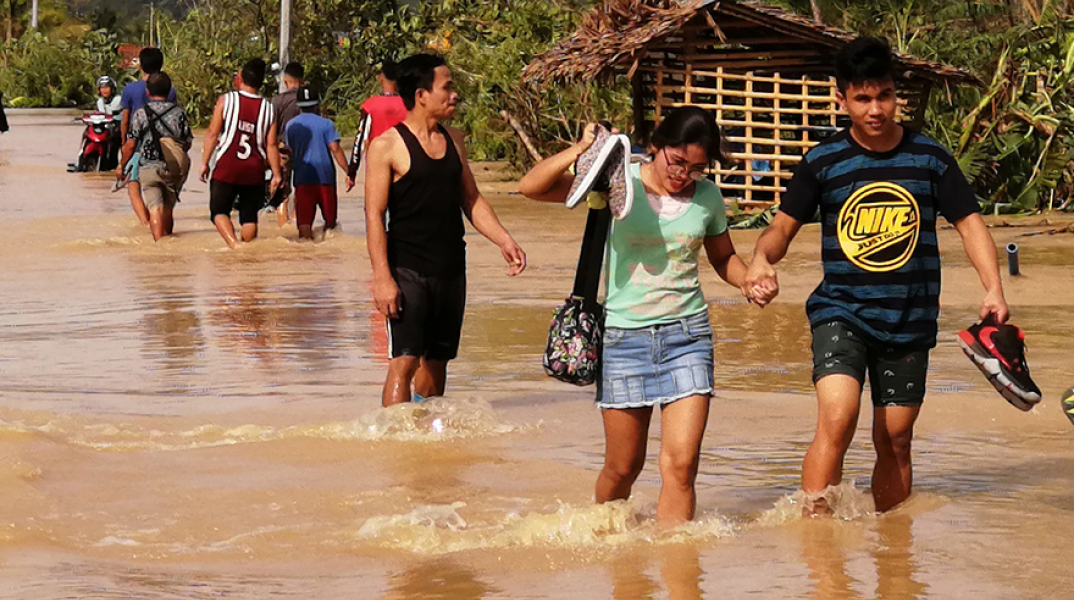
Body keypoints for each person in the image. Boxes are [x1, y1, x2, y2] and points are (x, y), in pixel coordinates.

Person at [742, 37, 1009, 515]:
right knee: (838, 419)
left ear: (895, 95)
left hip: (910, 318)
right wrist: (762, 261)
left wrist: (993, 287)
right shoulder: (822, 161)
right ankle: (818, 543)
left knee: (897, 439)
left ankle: (892, 553)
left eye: (884, 95)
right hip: (841, 312)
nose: (876, 109)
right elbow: (780, 229)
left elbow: (970, 225)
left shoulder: (930, 158)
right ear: (841, 99)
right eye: (862, 98)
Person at [518, 107, 757, 526]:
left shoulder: (708, 198)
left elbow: (725, 259)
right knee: (623, 468)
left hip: (688, 337)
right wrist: (583, 149)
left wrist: (749, 281)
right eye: (677, 162)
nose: (684, 175)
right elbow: (531, 188)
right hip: (624, 339)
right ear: (657, 146)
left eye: (697, 168)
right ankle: (610, 546)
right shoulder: (616, 182)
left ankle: (677, 567)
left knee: (681, 467)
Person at [365, 53, 526, 407]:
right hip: (406, 269)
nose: (454, 95)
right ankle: (396, 444)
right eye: (447, 88)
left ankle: (424, 442)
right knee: (404, 361)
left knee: (437, 362)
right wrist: (381, 277)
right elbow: (374, 215)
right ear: (421, 95)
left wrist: (504, 239)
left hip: (451, 268)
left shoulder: (454, 140)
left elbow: (471, 199)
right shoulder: (386, 146)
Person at [199, 58, 282, 249]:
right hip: (254, 169)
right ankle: (247, 252)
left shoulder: (226, 100)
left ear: (241, 78)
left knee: (218, 211)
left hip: (228, 166)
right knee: (249, 216)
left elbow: (212, 133)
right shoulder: (269, 109)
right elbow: (271, 145)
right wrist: (276, 174)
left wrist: (204, 162)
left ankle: (234, 246)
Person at [118, 72, 193, 241]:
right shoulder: (178, 113)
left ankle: (159, 246)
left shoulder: (140, 114)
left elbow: (130, 145)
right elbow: (188, 142)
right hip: (173, 166)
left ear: (147, 93)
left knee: (154, 208)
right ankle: (168, 242)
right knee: (168, 208)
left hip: (148, 166)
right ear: (169, 92)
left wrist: (121, 166)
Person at [120, 47, 178, 227]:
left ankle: (146, 224)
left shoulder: (130, 90)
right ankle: (158, 224)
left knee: (133, 185)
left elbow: (125, 120)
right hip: (164, 148)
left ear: (141, 66)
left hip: (138, 146)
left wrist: (123, 146)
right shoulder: (169, 89)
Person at [285, 86, 349, 240]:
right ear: (317, 104)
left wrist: (284, 178)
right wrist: (349, 171)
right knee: (330, 224)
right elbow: (335, 149)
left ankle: (307, 256)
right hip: (325, 179)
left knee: (304, 224)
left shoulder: (291, 126)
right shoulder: (326, 124)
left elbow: (288, 154)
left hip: (302, 180)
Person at [346, 60, 406, 191]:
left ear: (381, 78)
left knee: (377, 209)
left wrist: (352, 171)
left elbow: (360, 140)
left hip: (378, 164)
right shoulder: (409, 105)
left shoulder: (371, 105)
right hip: (404, 163)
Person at [270, 61, 304, 226]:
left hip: (282, 148)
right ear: (302, 80)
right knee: (301, 187)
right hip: (304, 149)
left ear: (285, 81)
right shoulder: (309, 100)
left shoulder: (277, 101)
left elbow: (271, 130)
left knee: (283, 189)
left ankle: (283, 226)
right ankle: (298, 221)